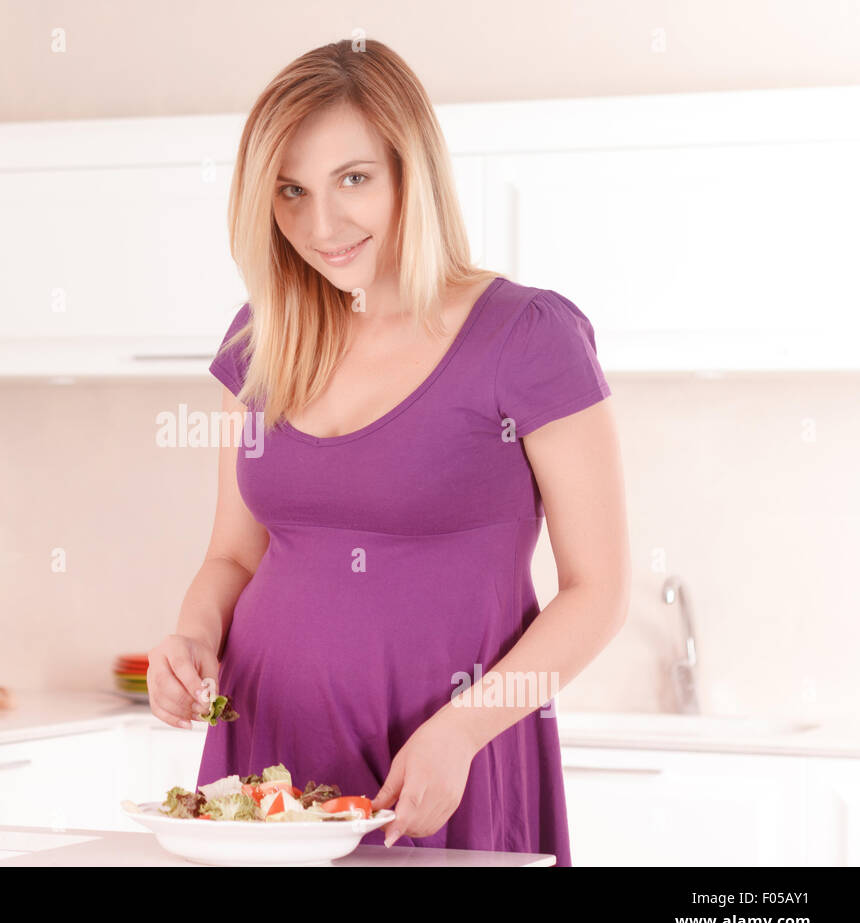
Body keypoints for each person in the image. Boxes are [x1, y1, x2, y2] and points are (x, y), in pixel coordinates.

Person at [145, 38, 629, 865]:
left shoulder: (528, 336)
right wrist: (191, 635)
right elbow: (231, 554)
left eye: (354, 180)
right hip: (267, 757)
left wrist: (461, 733)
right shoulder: (261, 337)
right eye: (291, 191)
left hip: (444, 757)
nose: (320, 225)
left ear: (415, 174)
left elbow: (599, 592)